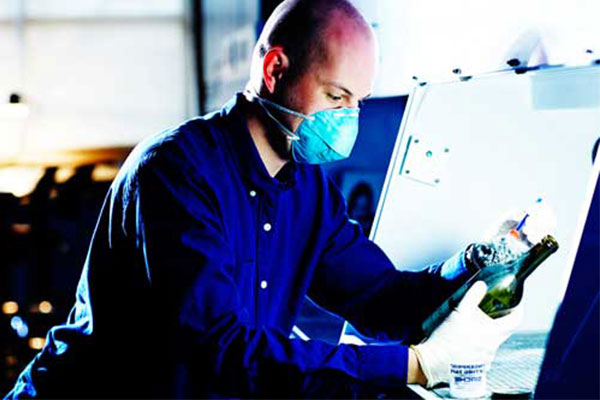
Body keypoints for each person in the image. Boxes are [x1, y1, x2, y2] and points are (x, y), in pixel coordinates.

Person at [7, 0, 524, 398]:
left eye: (358, 103)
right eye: (335, 97)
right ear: (276, 69)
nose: (349, 120)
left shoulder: (307, 190)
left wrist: (479, 267)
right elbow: (219, 349)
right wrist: (414, 365)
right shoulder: (176, 172)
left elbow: (379, 297)